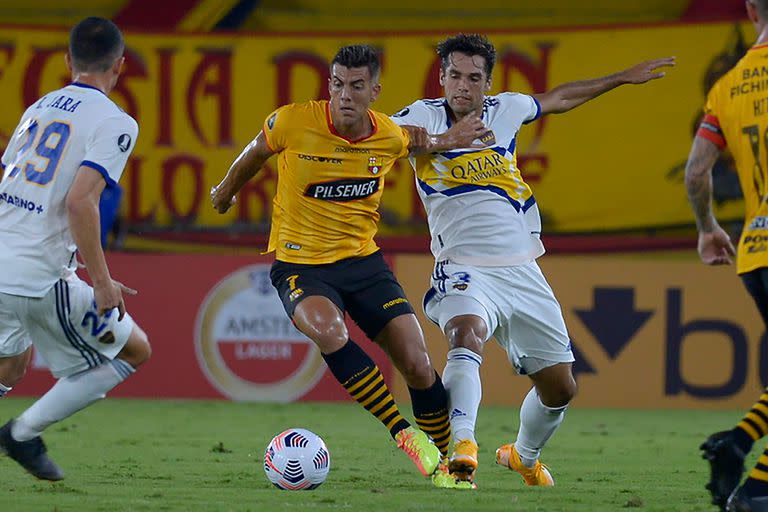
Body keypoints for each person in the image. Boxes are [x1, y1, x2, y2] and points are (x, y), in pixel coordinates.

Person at [391, 33, 674, 485]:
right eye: (454, 76)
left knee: (561, 387)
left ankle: (524, 455)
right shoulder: (420, 116)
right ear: (442, 77)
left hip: (522, 269)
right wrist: (446, 140)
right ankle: (462, 446)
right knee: (466, 333)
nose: (462, 86)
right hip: (463, 265)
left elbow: (559, 97)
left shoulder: (507, 109)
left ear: (488, 83)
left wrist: (621, 78)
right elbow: (387, 141)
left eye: (473, 78)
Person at [210, 45, 486, 489]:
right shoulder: (293, 121)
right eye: (338, 84)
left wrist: (450, 140)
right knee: (329, 331)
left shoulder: (388, 135)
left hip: (363, 263)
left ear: (374, 91)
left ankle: (449, 470)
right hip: (302, 266)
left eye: (357, 86)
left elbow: (421, 141)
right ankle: (404, 434)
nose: (345, 95)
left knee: (416, 362)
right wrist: (225, 191)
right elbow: (256, 150)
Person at [0, 17, 150, 480]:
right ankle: (20, 435)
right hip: (39, 277)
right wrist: (102, 284)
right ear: (120, 66)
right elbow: (79, 201)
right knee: (135, 352)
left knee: (11, 362)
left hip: (4, 261)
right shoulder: (115, 122)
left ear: (67, 61)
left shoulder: (38, 107)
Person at [687, 1, 768, 510]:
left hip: (756, 248)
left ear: (750, 8)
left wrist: (707, 228)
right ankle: (757, 491)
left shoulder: (728, 85)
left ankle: (736, 443)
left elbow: (696, 172)